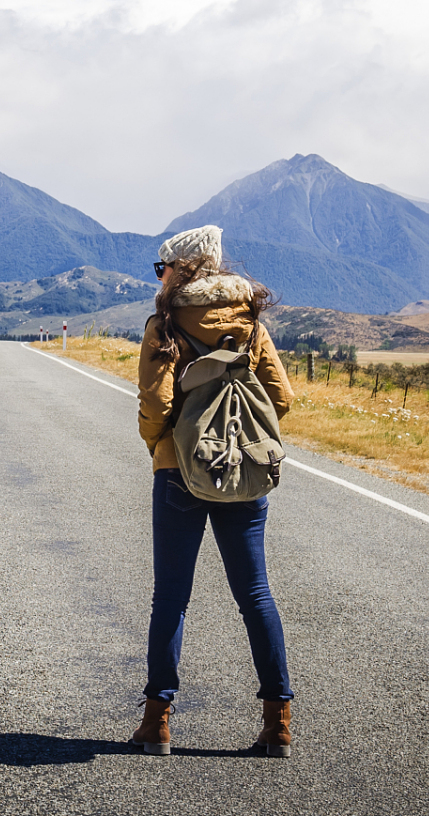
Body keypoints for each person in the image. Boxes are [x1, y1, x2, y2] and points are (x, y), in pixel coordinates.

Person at [129, 223, 297, 758]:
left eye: (163, 268)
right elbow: (282, 399)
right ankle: (279, 723)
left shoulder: (166, 323)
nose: (159, 277)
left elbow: (155, 405)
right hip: (244, 472)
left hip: (179, 471)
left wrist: (163, 445)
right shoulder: (251, 322)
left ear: (182, 268)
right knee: (256, 595)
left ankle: (157, 723)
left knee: (171, 598)